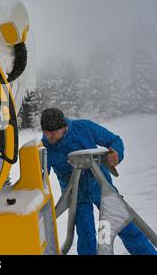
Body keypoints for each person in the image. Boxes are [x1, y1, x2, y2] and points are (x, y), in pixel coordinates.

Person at [40, 108, 157, 255]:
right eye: (46, 132)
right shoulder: (44, 147)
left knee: (125, 226)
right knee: (86, 236)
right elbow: (40, 177)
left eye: (53, 132)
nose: (49, 136)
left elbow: (114, 140)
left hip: (101, 188)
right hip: (77, 197)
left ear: (64, 126)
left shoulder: (84, 128)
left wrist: (116, 154)